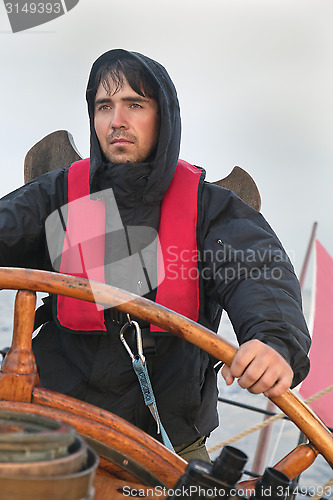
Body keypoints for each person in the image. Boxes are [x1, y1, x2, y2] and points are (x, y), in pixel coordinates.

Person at [0, 49, 310, 461]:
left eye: (134, 105)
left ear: (162, 116)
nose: (117, 121)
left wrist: (274, 341)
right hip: (51, 422)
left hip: (168, 443)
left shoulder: (210, 210)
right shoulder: (59, 194)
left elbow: (257, 270)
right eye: (104, 106)